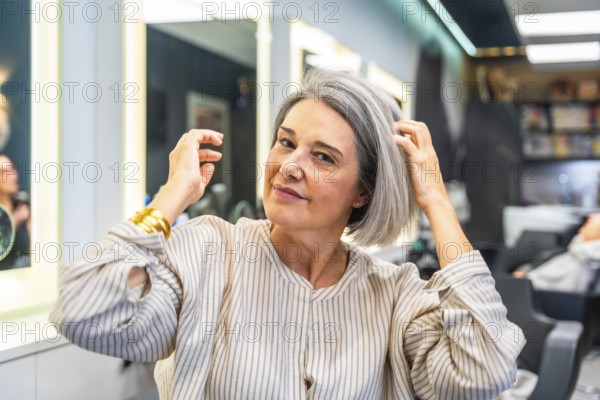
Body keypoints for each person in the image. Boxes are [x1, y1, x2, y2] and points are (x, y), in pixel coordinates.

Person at [50, 69, 524, 399]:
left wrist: (436, 203)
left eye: (323, 157)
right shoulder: (210, 252)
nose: (289, 166)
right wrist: (171, 197)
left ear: (363, 192)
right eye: (286, 141)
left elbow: (483, 372)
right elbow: (84, 311)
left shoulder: (395, 295)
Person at [513, 213, 600, 293]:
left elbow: (560, 287)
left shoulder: (582, 260)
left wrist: (526, 280)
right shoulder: (576, 249)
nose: (582, 229)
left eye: (587, 224)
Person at [0, 153, 30, 269]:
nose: (13, 175)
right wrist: (14, 222)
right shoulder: (18, 215)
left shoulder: (23, 204)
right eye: (4, 172)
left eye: (13, 168)